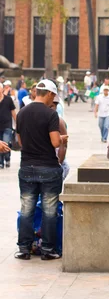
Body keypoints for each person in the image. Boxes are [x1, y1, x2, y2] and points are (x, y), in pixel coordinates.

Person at [15, 79, 67, 261]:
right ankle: (47, 249)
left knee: (27, 209)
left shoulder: (21, 113)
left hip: (27, 166)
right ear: (50, 94)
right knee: (49, 211)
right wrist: (62, 139)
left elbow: (20, 142)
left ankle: (23, 248)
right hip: (48, 168)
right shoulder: (51, 115)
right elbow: (54, 142)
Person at [0, 82, 17, 169]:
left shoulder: (8, 99)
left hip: (7, 126)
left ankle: (7, 159)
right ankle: (1, 162)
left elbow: (13, 113)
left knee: (5, 143)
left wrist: (17, 124)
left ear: (2, 89)